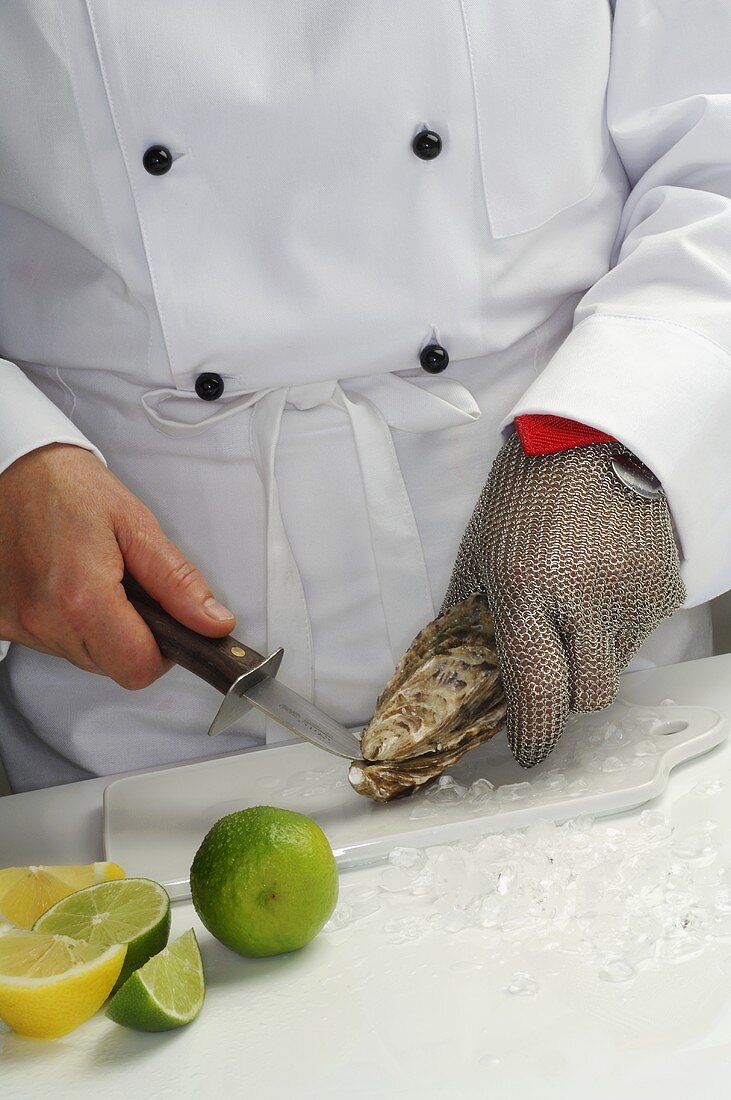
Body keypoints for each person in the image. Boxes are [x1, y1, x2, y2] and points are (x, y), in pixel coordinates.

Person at [0, 2, 728, 792]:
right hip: (146, 711)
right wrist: (11, 455)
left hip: (591, 641)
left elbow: (713, 158)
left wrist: (614, 429)